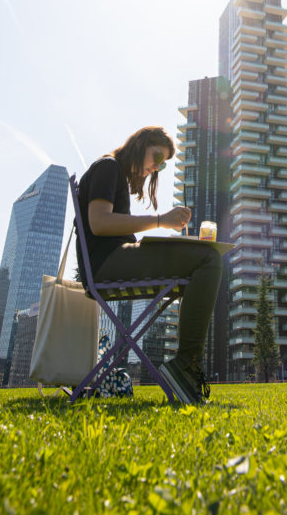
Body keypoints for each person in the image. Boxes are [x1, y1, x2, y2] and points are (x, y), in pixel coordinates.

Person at [76, 126, 223, 405]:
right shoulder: (108, 166)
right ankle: (185, 365)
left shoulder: (114, 173)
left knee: (203, 257)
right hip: (105, 265)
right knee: (209, 258)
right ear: (141, 144)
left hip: (110, 261)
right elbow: (99, 222)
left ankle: (186, 363)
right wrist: (160, 221)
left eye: (162, 164)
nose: (156, 167)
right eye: (156, 157)